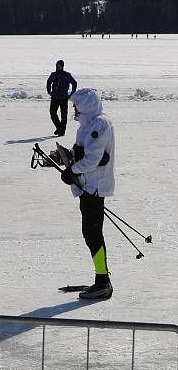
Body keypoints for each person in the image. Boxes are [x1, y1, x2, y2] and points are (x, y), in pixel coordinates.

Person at [59, 88, 116, 300]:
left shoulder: (99, 124)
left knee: (93, 234)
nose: (73, 109)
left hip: (94, 187)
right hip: (87, 186)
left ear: (85, 106)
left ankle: (103, 282)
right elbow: (84, 152)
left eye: (76, 106)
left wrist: (72, 170)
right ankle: (101, 278)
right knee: (91, 234)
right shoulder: (87, 125)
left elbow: (93, 159)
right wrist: (66, 158)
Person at [46, 60, 77, 136]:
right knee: (52, 113)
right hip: (55, 97)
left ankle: (61, 132)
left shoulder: (67, 75)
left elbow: (74, 83)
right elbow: (49, 82)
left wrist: (72, 93)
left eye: (59, 66)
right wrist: (49, 91)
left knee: (64, 115)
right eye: (57, 66)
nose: (58, 67)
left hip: (64, 98)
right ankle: (59, 128)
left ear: (62, 66)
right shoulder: (53, 74)